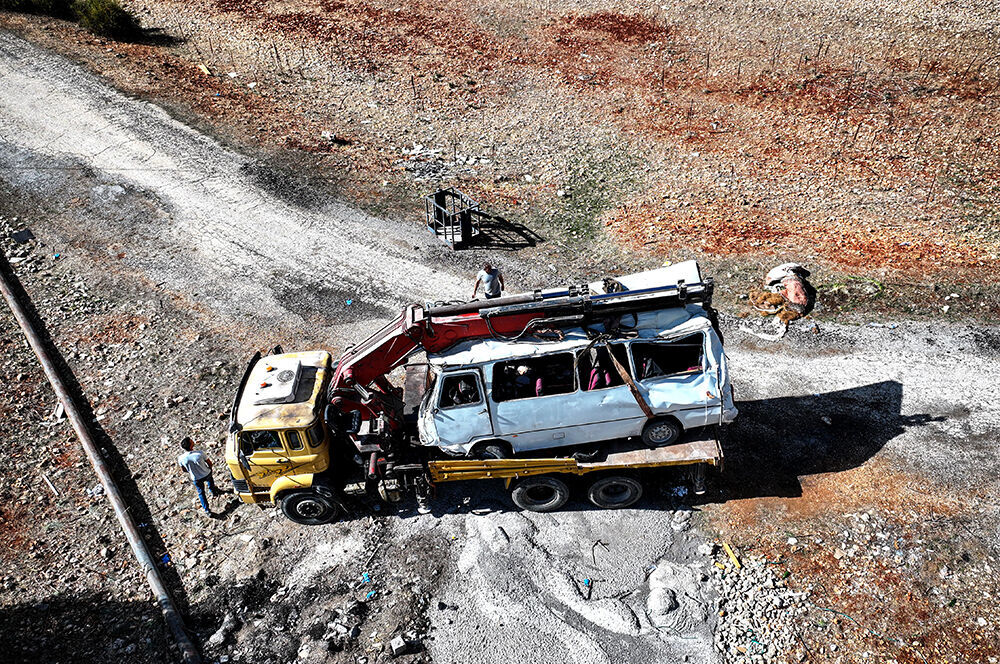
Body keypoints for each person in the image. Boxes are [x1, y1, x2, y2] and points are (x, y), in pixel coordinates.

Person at [177, 437, 225, 516]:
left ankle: (207, 510)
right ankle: (213, 492)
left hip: (196, 478)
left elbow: (184, 470)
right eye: (192, 441)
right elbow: (209, 463)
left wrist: (191, 471)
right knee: (210, 482)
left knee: (201, 493)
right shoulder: (200, 453)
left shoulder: (181, 458)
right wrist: (209, 469)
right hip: (206, 473)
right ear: (191, 445)